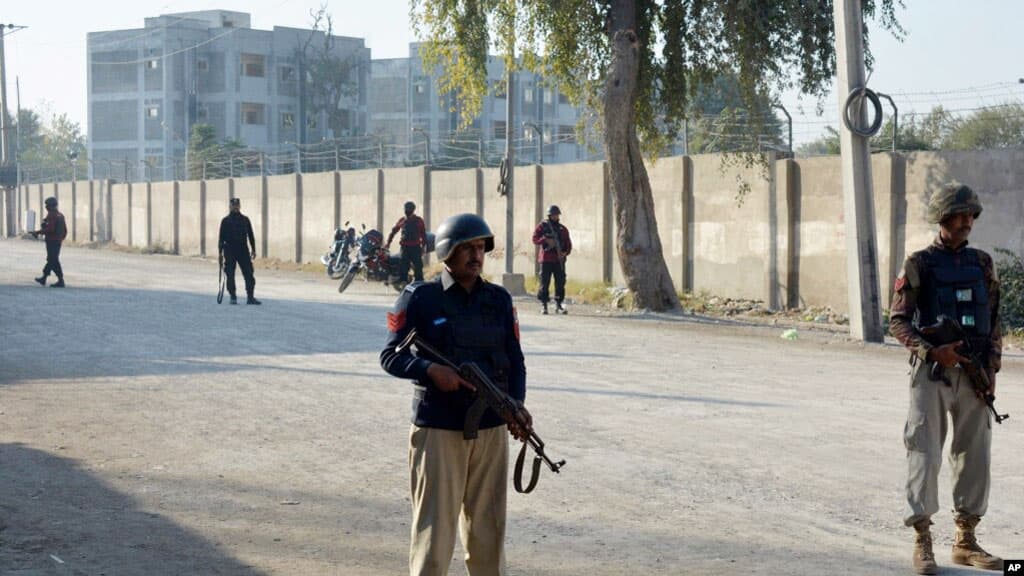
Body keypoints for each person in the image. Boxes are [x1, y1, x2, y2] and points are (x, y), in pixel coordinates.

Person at [380, 213, 530, 576]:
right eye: (468, 248)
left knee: (488, 536)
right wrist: (430, 371)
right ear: (447, 252)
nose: (476, 256)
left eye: (481, 248)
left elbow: (515, 360)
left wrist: (517, 407)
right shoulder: (420, 298)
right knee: (435, 536)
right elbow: (390, 355)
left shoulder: (498, 299)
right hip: (439, 431)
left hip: (491, 429)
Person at [889, 183, 1003, 575]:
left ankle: (965, 540)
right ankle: (922, 540)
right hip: (933, 374)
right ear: (943, 218)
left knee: (975, 454)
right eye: (961, 214)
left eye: (972, 214)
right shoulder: (918, 264)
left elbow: (994, 319)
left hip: (973, 374)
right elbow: (898, 322)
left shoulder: (983, 263)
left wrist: (991, 368)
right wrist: (930, 351)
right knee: (924, 451)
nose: (968, 221)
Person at [218, 197, 261, 305]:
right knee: (230, 273)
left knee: (249, 273)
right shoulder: (225, 221)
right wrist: (220, 253)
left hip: (243, 249)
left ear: (240, 206)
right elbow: (221, 238)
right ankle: (233, 296)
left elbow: (251, 236)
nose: (236, 207)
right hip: (230, 250)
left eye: (237, 205)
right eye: (233, 205)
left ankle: (250, 297)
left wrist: (253, 249)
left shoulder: (245, 220)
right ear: (230, 207)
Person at [531, 205, 572, 315]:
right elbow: (535, 239)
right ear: (549, 215)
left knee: (560, 282)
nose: (555, 216)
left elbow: (568, 244)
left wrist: (564, 252)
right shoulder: (542, 227)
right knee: (544, 282)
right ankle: (544, 305)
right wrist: (545, 240)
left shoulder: (562, 229)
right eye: (553, 215)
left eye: (557, 215)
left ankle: (558, 304)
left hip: (559, 260)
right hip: (546, 259)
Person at [32, 196, 68, 288]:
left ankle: (50, 278)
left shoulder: (52, 215)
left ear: (51, 206)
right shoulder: (60, 215)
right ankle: (53, 279)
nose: (46, 207)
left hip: (52, 241)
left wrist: (38, 232)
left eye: (47, 205)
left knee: (52, 260)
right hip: (56, 241)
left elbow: (50, 229)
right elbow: (65, 230)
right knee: (53, 260)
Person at [387, 201, 427, 284]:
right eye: (406, 209)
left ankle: (418, 284)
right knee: (403, 267)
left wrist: (423, 247)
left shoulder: (419, 220)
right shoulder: (402, 220)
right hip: (405, 248)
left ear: (413, 210)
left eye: (409, 209)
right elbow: (393, 231)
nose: (407, 210)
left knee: (418, 267)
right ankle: (403, 282)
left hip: (415, 248)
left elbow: (423, 234)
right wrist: (388, 243)